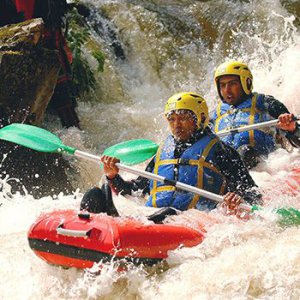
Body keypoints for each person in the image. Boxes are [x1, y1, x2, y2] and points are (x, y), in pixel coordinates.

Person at [80, 92, 262, 222]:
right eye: (171, 119)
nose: (176, 125)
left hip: (195, 219)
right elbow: (136, 190)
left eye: (183, 118)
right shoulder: (163, 150)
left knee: (166, 213)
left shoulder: (221, 151)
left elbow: (253, 195)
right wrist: (113, 176)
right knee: (94, 195)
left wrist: (236, 199)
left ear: (199, 118)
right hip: (153, 215)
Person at [0, 0, 80, 128]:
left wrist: (62, 44)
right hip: (17, 55)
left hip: (47, 49)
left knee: (64, 104)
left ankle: (75, 137)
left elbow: (54, 19)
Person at [211, 61, 300, 168]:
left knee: (246, 151)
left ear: (246, 83)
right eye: (222, 85)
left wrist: (292, 129)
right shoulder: (214, 115)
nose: (227, 90)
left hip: (263, 170)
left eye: (232, 84)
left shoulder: (267, 104)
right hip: (226, 172)